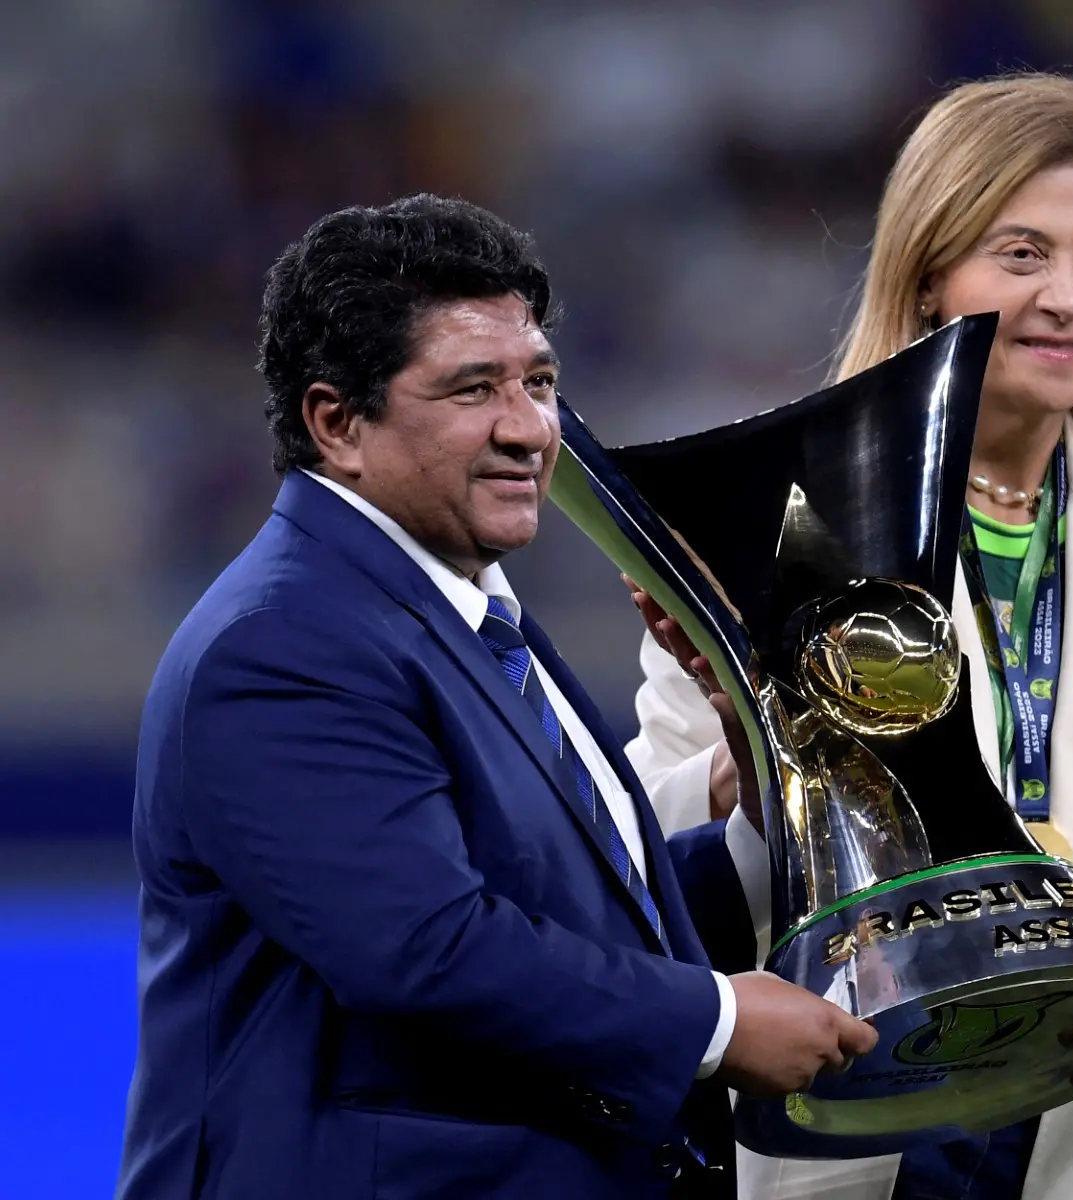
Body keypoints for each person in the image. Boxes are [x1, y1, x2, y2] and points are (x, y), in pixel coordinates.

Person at [117, 194, 876, 1200]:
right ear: (336, 422)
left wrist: (752, 828)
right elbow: (427, 949)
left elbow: (574, 920)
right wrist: (717, 1024)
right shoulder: (282, 643)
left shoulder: (464, 611)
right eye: (473, 389)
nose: (529, 429)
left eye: (541, 382)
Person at [624, 74, 1073, 1200]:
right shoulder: (779, 516)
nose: (1069, 300)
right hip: (847, 1121)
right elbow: (640, 839)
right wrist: (746, 777)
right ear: (930, 275)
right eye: (1020, 255)